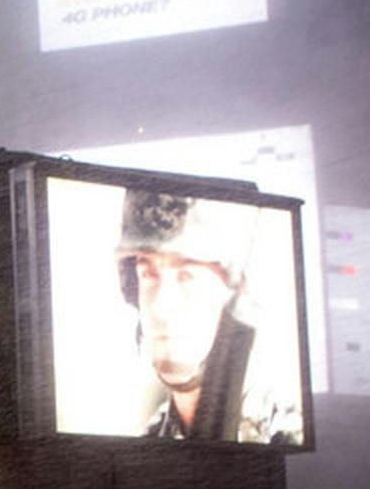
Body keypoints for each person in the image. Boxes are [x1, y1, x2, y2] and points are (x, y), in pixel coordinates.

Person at [115, 189, 299, 443]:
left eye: (187, 276)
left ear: (233, 294)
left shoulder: (285, 431)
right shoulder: (152, 437)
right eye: (148, 275)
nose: (161, 305)